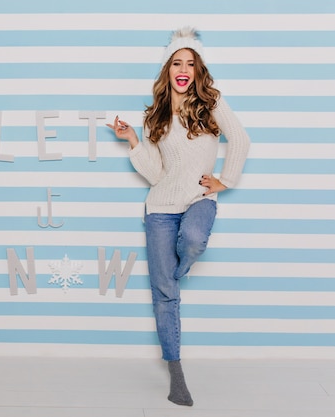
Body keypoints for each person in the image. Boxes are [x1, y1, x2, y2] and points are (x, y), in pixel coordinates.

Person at [107, 27, 250, 406]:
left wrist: (225, 180)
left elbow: (241, 138)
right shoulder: (155, 114)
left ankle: (178, 268)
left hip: (199, 199)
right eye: (177, 62)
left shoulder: (211, 102)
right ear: (168, 69)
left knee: (193, 242)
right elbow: (158, 175)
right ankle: (176, 376)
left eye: (190, 63)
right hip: (160, 208)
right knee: (165, 296)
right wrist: (134, 143)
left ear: (197, 70)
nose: (183, 69)